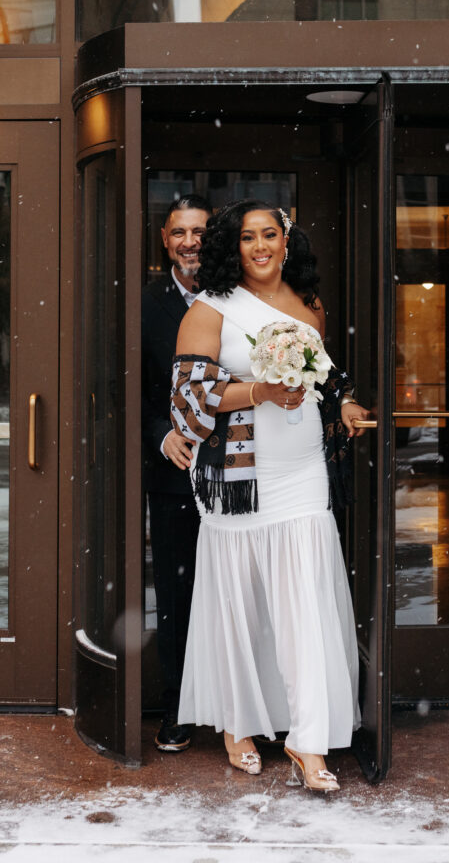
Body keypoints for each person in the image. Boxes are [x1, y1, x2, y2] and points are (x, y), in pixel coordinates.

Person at [171, 199, 369, 792]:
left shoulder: (310, 306)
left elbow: (326, 378)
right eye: (248, 237)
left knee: (303, 603)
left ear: (287, 242)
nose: (260, 246)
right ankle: (239, 725)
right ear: (233, 246)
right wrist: (258, 389)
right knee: (244, 606)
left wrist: (347, 403)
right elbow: (187, 398)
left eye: (271, 235)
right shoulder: (210, 309)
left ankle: (308, 742)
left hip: (304, 471)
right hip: (237, 482)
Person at [141, 192, 212, 751]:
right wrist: (160, 433)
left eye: (199, 231)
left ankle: (238, 707)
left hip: (240, 474)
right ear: (165, 240)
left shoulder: (233, 299)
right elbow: (126, 387)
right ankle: (178, 707)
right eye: (179, 232)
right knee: (178, 595)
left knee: (235, 592)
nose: (190, 242)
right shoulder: (145, 304)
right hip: (173, 478)